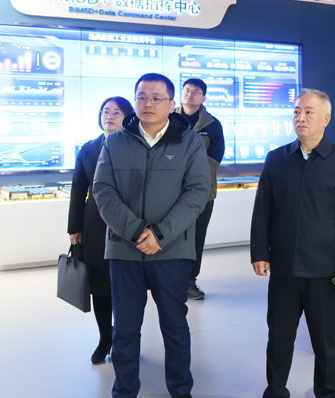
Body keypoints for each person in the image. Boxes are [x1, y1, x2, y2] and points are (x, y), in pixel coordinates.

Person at [93, 72, 211, 398]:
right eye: (142, 97)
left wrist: (160, 234)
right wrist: (135, 231)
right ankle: (124, 391)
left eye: (157, 98)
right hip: (124, 250)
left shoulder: (189, 142)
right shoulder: (115, 142)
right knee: (125, 329)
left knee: (174, 326)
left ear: (172, 105)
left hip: (172, 251)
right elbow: (103, 190)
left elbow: (197, 192)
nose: (148, 103)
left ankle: (181, 390)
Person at [251, 88, 335, 398]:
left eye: (309, 112)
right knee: (279, 337)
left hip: (325, 270)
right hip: (283, 268)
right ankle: (275, 391)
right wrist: (259, 251)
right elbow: (262, 210)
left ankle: (329, 393)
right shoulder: (277, 159)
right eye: (297, 112)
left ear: (326, 119)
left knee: (326, 340)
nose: (300, 117)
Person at [67, 96, 134, 364]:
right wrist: (74, 227)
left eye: (117, 112)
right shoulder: (89, 148)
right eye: (106, 111)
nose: (109, 115)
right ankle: (105, 338)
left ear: (128, 117)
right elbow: (78, 189)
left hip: (128, 224)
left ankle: (125, 339)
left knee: (126, 285)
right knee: (100, 285)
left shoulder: (135, 145)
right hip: (94, 225)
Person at [175, 78, 225, 300]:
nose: (190, 94)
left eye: (196, 91)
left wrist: (192, 175)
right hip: (169, 189)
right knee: (169, 235)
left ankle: (189, 281)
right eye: (186, 90)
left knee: (196, 237)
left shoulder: (212, 124)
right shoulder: (168, 118)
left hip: (201, 191)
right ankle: (166, 279)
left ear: (203, 97)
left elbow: (215, 157)